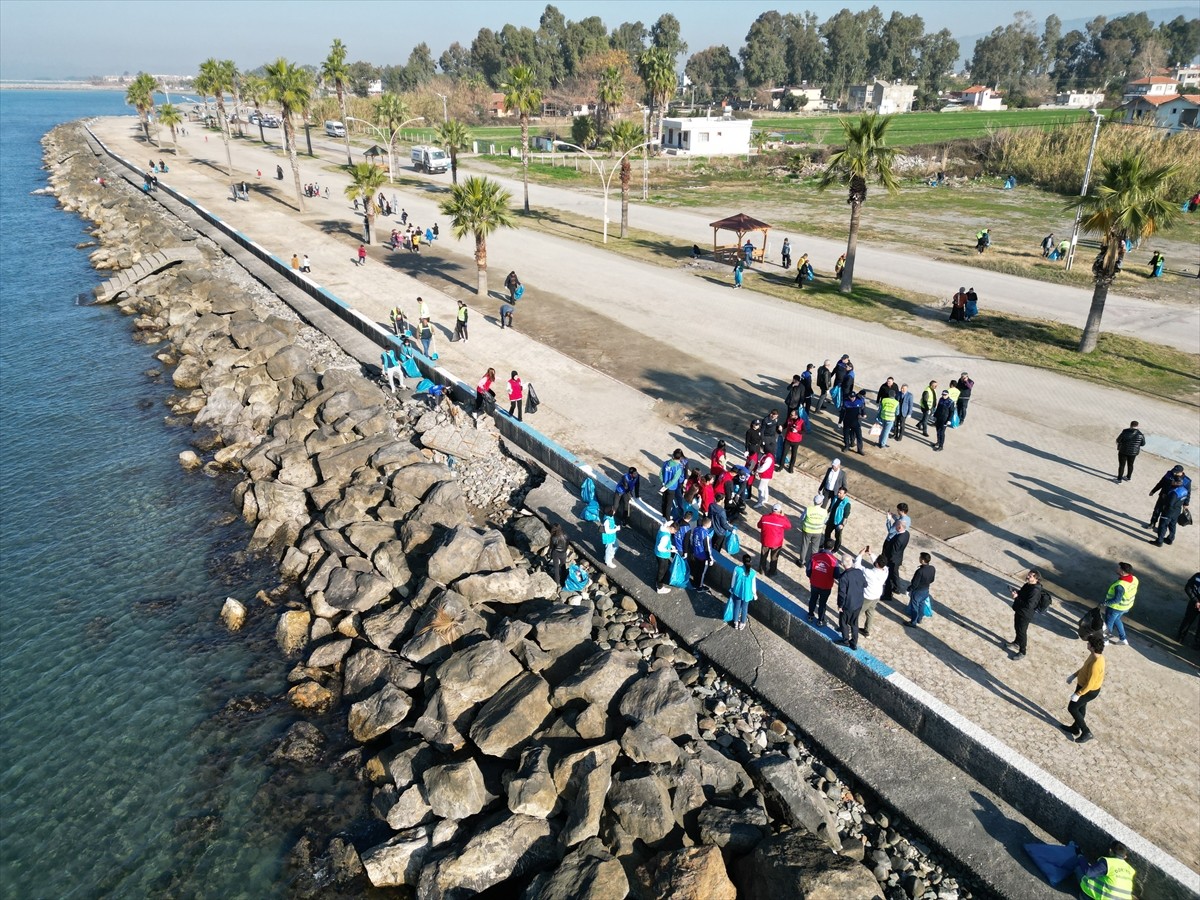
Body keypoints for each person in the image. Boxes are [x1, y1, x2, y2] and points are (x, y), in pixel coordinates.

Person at [1063, 636, 1106, 744]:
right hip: (1082, 686)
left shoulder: (1097, 663)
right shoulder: (1093, 655)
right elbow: (1084, 668)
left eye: (1089, 643)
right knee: (1081, 708)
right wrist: (1074, 675)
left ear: (1092, 647)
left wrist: (1078, 693)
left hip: (1088, 691)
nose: (1087, 644)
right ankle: (1075, 728)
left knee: (1072, 708)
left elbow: (1091, 684)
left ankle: (1086, 732)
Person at [1008, 569, 1046, 659]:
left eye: (1030, 576)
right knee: (1017, 627)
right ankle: (1016, 643)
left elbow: (1029, 605)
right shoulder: (1027, 585)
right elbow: (1022, 593)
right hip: (1019, 610)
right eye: (1028, 575)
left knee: (1022, 632)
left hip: (1025, 614)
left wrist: (1016, 598)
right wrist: (1016, 592)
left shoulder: (1035, 591)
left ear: (1036, 579)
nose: (1028, 577)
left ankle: (1022, 651)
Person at [833, 552, 866, 650]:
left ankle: (845, 641)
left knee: (843, 623)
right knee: (855, 623)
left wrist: (840, 605)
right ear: (851, 562)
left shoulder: (844, 577)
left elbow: (842, 594)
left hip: (848, 605)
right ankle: (854, 642)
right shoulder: (859, 572)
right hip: (859, 603)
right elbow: (865, 584)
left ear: (842, 564)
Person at [1103, 562, 1138, 646]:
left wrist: (1104, 603)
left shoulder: (1120, 586)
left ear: (1122, 572)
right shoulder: (1134, 579)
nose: (1117, 569)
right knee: (1117, 620)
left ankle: (1105, 640)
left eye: (1119, 568)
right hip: (1126, 607)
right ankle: (1123, 639)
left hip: (1115, 608)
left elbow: (1116, 600)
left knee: (1109, 624)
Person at [855, 550, 889, 637]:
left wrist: (860, 554)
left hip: (867, 597)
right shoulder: (885, 570)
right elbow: (878, 563)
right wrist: (871, 554)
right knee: (870, 612)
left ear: (877, 563)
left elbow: (857, 565)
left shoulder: (869, 572)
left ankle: (852, 629)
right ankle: (867, 630)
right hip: (877, 596)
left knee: (857, 613)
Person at [806, 541, 839, 624]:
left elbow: (808, 571)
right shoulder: (834, 561)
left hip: (814, 583)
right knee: (822, 603)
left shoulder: (814, 556)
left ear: (823, 546)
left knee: (813, 599)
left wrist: (812, 577)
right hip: (826, 586)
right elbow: (836, 575)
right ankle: (820, 620)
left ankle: (810, 615)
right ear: (832, 548)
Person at [1149, 465, 1191, 530]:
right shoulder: (1169, 474)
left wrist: (1186, 504)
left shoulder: (1186, 481)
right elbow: (1161, 483)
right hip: (1163, 497)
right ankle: (1152, 523)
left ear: (1181, 472)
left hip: (1173, 501)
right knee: (1157, 511)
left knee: (1167, 516)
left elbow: (1187, 493)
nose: (1174, 473)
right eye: (1174, 471)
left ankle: (1162, 529)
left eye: (1176, 472)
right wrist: (1153, 491)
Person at [757, 503, 791, 576]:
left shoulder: (764, 518)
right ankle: (772, 572)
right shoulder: (782, 520)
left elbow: (759, 525)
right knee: (774, 558)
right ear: (780, 511)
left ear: (771, 510)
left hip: (765, 541)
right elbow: (788, 526)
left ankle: (762, 570)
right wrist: (783, 516)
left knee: (763, 556)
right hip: (776, 543)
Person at [726, 554, 758, 631]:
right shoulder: (753, 572)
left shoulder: (737, 569)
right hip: (747, 594)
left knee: (737, 607)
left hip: (737, 591)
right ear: (750, 561)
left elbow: (733, 581)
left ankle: (736, 622)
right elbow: (753, 586)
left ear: (742, 561)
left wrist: (732, 588)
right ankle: (742, 623)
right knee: (744, 608)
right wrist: (754, 594)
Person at [1154, 476, 1187, 547]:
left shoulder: (1174, 492)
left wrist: (1165, 499)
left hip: (1168, 512)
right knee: (1172, 525)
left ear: (1176, 482)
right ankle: (1170, 539)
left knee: (1163, 525)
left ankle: (1159, 541)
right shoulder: (1185, 490)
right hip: (1177, 511)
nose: (1171, 482)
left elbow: (1170, 503)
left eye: (1172, 481)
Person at [905, 553, 936, 627]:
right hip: (926, 590)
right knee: (922, 605)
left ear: (922, 560)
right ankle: (919, 619)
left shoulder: (920, 571)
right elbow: (932, 580)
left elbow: (915, 584)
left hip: (918, 591)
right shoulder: (932, 568)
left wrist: (909, 589)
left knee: (914, 606)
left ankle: (913, 622)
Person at [796, 495, 829, 565]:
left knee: (805, 545)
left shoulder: (808, 509)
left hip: (807, 530)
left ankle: (801, 561)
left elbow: (802, 518)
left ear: (814, 502)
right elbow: (825, 521)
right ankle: (813, 563)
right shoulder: (824, 511)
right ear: (821, 502)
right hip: (818, 531)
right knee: (815, 548)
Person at [881, 521, 909, 601]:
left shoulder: (898, 539)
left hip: (892, 560)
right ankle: (897, 588)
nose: (895, 527)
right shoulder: (906, 534)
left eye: (896, 526)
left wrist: (886, 560)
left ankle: (887, 594)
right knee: (895, 574)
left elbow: (893, 552)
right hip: (898, 559)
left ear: (900, 528)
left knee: (889, 577)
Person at [687, 515, 713, 591]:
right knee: (702, 572)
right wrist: (710, 559)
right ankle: (700, 587)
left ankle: (695, 582)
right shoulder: (706, 535)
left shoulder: (696, 529)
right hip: (703, 556)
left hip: (695, 553)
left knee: (696, 569)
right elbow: (707, 548)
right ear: (708, 524)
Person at [660, 449, 687, 518]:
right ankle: (667, 518)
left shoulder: (666, 463)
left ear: (673, 455)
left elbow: (660, 473)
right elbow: (674, 480)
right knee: (669, 504)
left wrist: (663, 483)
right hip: (671, 488)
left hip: (664, 485)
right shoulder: (678, 468)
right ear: (680, 458)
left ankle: (663, 515)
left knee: (664, 501)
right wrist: (667, 486)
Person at [824, 487, 851, 553]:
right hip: (831, 520)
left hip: (838, 523)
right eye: (838, 492)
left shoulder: (847, 503)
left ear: (844, 494)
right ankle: (826, 545)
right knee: (827, 532)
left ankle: (836, 548)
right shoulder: (835, 498)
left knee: (838, 537)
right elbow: (831, 506)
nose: (838, 494)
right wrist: (827, 513)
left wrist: (842, 525)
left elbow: (846, 516)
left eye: (840, 493)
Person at [653, 519, 677, 594]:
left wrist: (671, 546)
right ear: (672, 528)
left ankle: (658, 582)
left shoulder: (663, 529)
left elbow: (666, 524)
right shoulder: (666, 536)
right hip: (662, 555)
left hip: (657, 554)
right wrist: (670, 550)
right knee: (662, 571)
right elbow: (660, 547)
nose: (675, 533)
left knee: (662, 569)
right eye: (675, 531)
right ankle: (659, 587)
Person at [1177, 572, 1200, 649]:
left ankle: (1197, 643)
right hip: (1194, 603)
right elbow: (1188, 587)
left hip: (1195, 602)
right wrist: (1195, 600)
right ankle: (1180, 637)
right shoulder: (1197, 577)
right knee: (1187, 620)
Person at [841, 390, 866, 455]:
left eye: (854, 397)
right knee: (846, 434)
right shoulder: (845, 402)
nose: (853, 398)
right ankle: (846, 446)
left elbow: (863, 409)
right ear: (849, 396)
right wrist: (840, 421)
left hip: (856, 421)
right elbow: (842, 412)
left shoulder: (859, 401)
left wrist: (864, 414)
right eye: (851, 397)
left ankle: (860, 449)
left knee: (859, 436)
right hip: (847, 421)